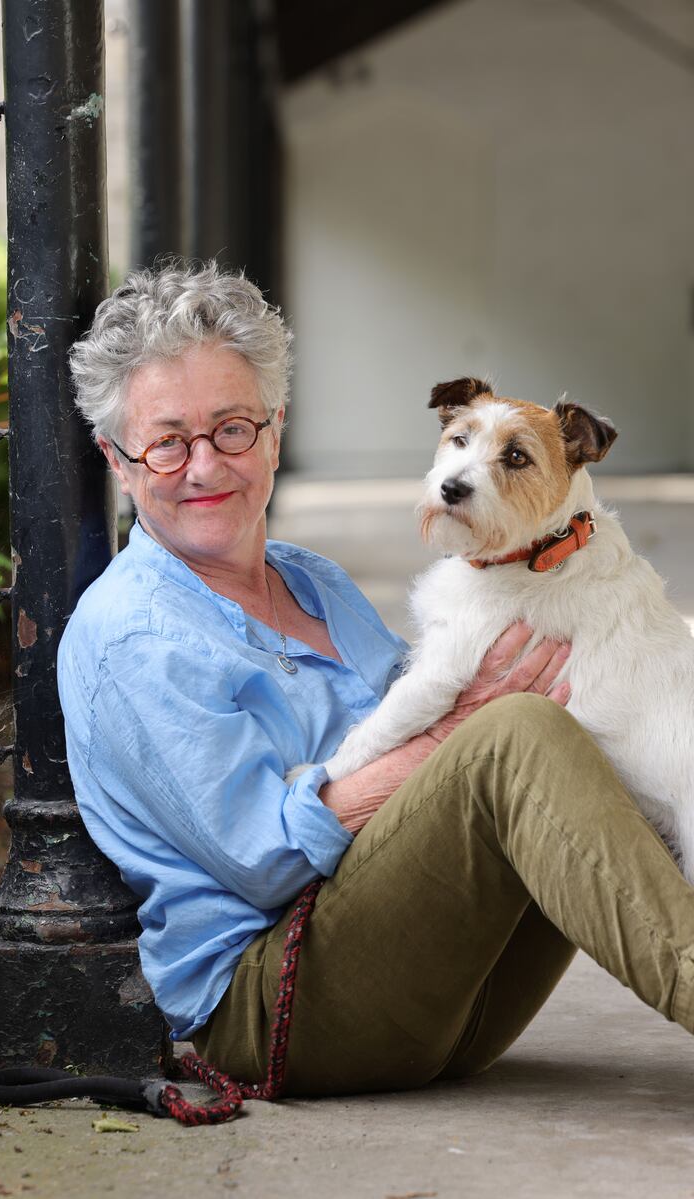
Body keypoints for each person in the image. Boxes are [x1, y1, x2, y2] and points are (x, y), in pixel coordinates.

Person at [58, 261, 694, 1097]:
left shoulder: (311, 579)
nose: (205, 465)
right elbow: (263, 860)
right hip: (283, 1008)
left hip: (451, 999)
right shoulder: (131, 636)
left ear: (277, 432)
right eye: (169, 441)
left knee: (610, 718)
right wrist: (457, 734)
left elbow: (452, 772)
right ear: (119, 458)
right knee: (519, 731)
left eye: (234, 429)